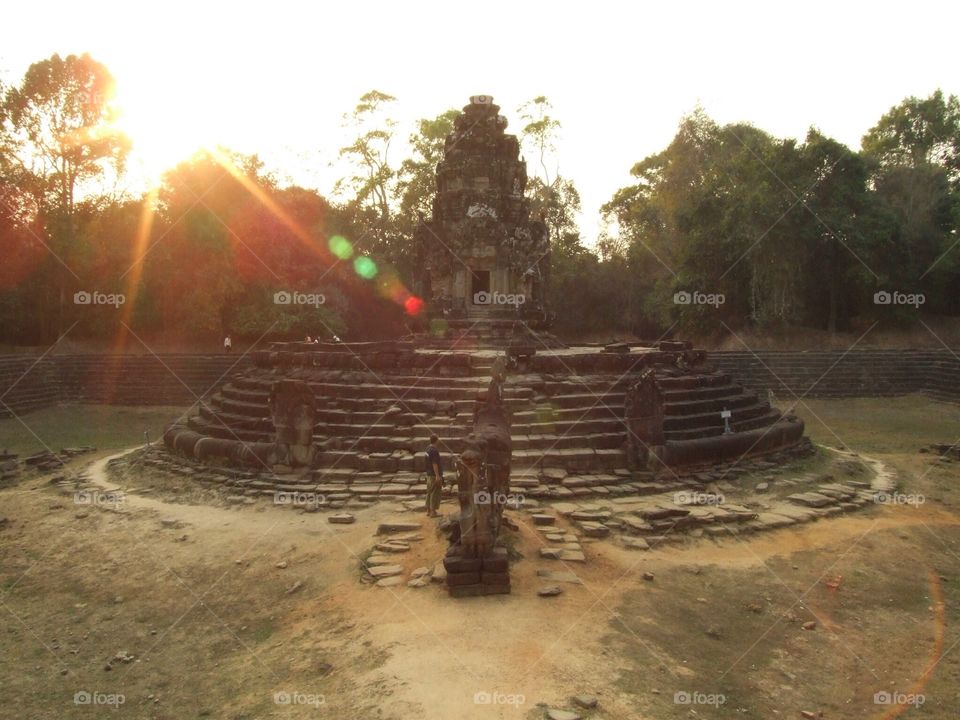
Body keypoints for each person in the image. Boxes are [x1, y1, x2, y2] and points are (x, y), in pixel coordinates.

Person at [425, 434, 444, 517]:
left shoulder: (427, 449)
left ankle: (428, 510)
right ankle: (433, 512)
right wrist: (437, 476)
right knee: (435, 492)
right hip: (433, 474)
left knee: (429, 491)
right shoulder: (434, 450)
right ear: (436, 440)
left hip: (428, 474)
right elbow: (434, 463)